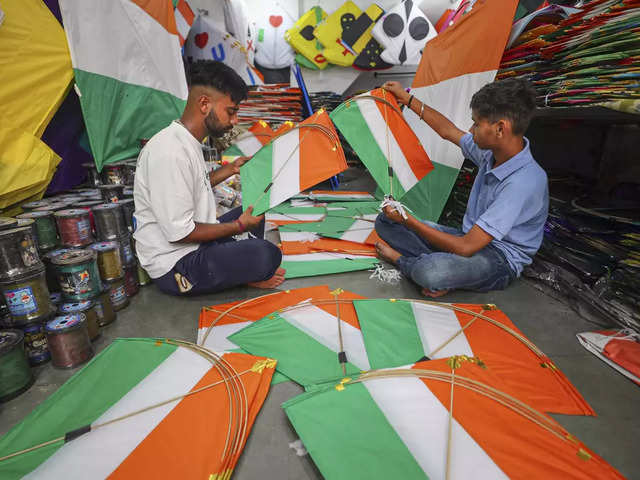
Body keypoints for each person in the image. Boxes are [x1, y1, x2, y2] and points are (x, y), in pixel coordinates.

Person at [376, 78, 548, 297]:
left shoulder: (523, 182)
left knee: (431, 272)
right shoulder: (490, 153)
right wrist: (407, 98)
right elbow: (447, 130)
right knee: (385, 221)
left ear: (500, 128)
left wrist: (409, 221)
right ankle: (446, 270)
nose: (470, 129)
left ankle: (407, 262)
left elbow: (466, 247)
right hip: (467, 238)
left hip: (499, 259)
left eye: (476, 123)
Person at [133, 60, 285, 296]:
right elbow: (180, 234)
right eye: (231, 112)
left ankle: (242, 267)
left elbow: (194, 185)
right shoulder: (170, 152)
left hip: (195, 246)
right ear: (204, 103)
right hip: (176, 265)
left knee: (256, 209)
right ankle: (246, 269)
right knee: (267, 255)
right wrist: (239, 226)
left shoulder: (185, 141)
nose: (234, 121)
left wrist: (231, 168)